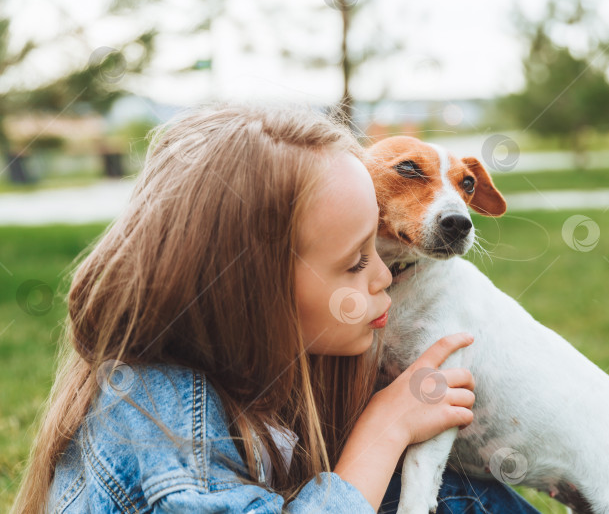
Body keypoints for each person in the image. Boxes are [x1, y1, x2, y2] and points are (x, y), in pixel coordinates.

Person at [12, 101, 544, 513]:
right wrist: (385, 430)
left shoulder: (270, 367)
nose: (386, 275)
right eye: (356, 263)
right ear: (254, 287)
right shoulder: (164, 415)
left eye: (378, 247)